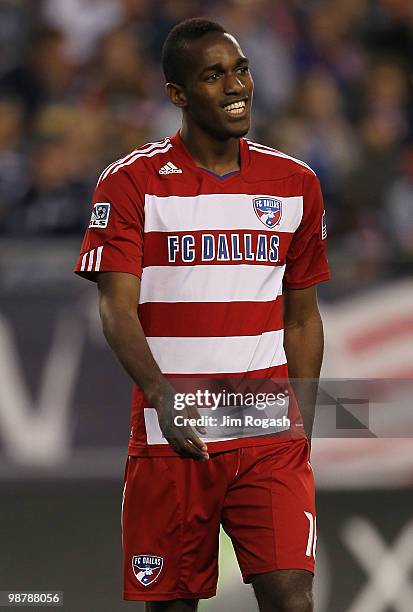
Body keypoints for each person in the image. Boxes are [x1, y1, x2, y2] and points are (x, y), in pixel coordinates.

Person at [74, 18, 330, 612]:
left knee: (293, 597)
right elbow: (117, 310)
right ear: (178, 95)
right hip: (174, 437)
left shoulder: (295, 183)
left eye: (240, 69)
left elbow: (304, 317)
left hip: (268, 431)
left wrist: (304, 418)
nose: (236, 85)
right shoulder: (131, 184)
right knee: (172, 606)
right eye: (213, 75)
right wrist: (160, 393)